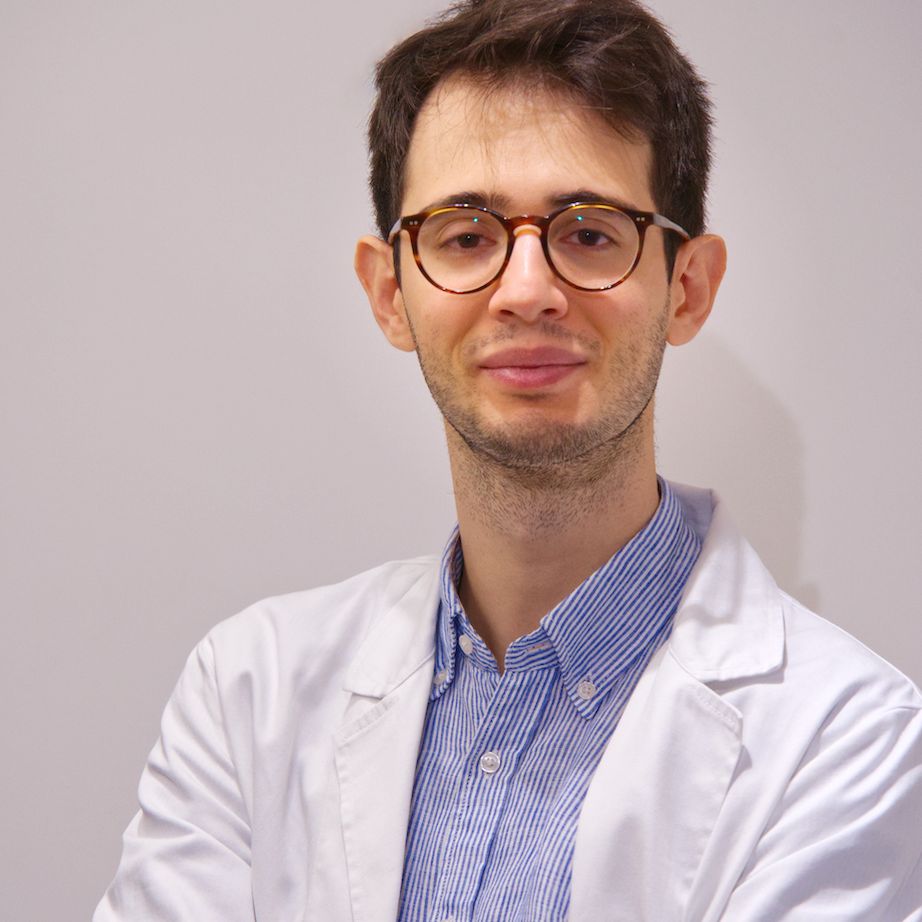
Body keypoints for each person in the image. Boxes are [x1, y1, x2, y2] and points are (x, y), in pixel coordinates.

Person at [95, 1, 922, 919]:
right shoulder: (246, 693)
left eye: (591, 232)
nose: (527, 291)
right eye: (465, 236)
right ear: (391, 292)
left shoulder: (849, 740)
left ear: (687, 287)